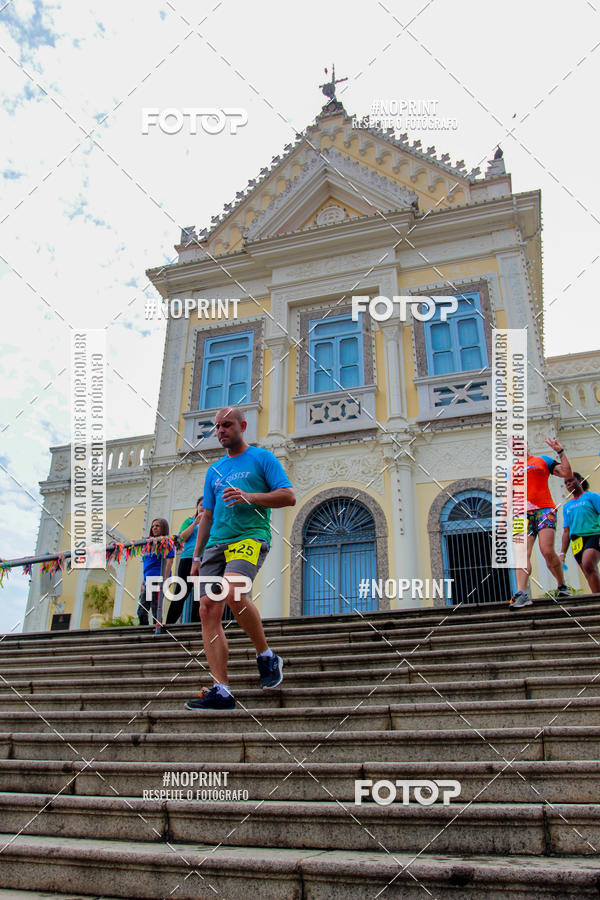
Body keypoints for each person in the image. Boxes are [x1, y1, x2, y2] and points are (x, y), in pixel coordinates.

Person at [185, 406, 296, 711]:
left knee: (233, 593)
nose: (221, 430)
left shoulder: (262, 458)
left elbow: (288, 495)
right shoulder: (214, 470)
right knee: (208, 610)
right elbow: (206, 514)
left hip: (249, 537)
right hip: (214, 546)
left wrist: (251, 497)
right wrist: (196, 557)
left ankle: (266, 656)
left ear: (242, 425)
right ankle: (222, 690)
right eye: (217, 427)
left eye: (227, 425)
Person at [509, 437, 573, 609]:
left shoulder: (542, 460)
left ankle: (562, 585)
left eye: (520, 443)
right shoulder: (511, 470)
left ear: (527, 444)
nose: (517, 446)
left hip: (544, 510)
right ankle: (521, 593)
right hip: (520, 514)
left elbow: (567, 473)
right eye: (513, 445)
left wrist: (560, 452)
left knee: (546, 550)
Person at [560, 472, 600, 594]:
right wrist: (562, 553)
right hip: (576, 540)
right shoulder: (567, 506)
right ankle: (596, 598)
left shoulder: (591, 496)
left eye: (571, 481)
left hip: (594, 534)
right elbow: (566, 531)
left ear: (580, 480)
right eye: (566, 483)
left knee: (588, 564)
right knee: (588, 572)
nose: (568, 485)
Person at [166, 497, 203, 625]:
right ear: (197, 507)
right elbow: (181, 538)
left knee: (200, 594)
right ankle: (169, 624)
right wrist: (195, 523)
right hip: (187, 558)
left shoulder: (213, 522)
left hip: (205, 559)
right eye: (201, 505)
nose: (203, 507)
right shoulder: (189, 521)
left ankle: (196, 624)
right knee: (181, 591)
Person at [138, 517, 174, 626]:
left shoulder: (166, 543)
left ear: (163, 528)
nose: (154, 528)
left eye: (157, 526)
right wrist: (143, 581)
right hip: (148, 580)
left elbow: (169, 561)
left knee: (155, 609)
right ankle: (145, 632)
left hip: (158, 578)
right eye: (153, 526)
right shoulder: (148, 545)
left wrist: (164, 579)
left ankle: (156, 632)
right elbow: (147, 565)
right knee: (141, 611)